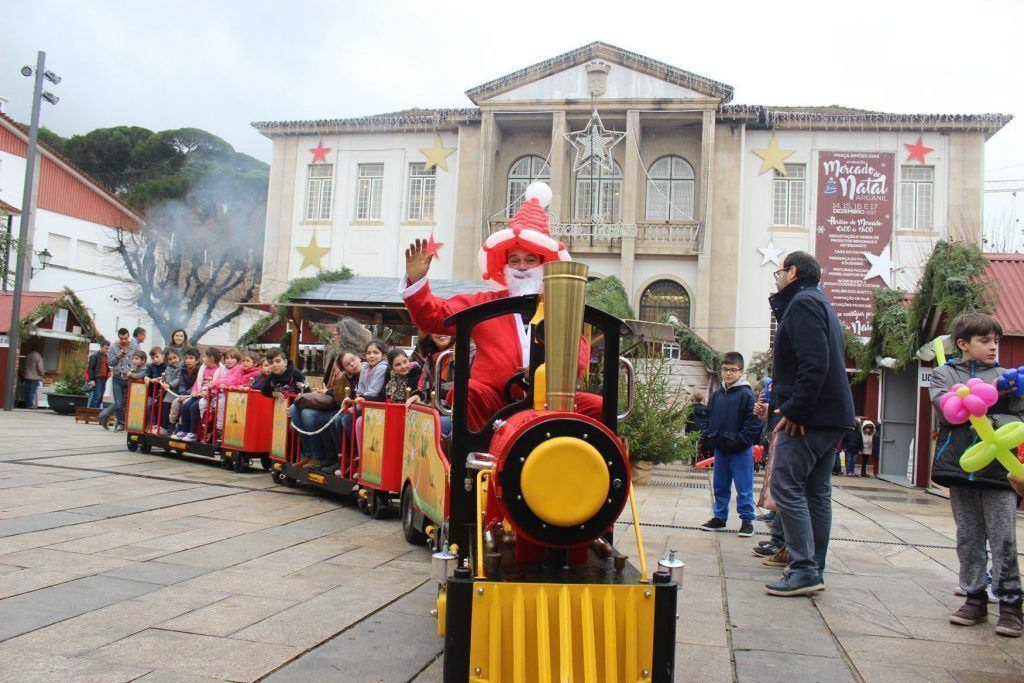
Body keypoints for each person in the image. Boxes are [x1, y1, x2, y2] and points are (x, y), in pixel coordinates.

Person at [402, 182, 601, 432]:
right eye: (514, 260)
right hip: (494, 402)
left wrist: (546, 372)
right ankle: (479, 453)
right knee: (466, 391)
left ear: (544, 266)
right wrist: (417, 280)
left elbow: (578, 353)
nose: (521, 267)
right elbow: (433, 317)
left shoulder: (559, 308)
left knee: (599, 406)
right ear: (505, 266)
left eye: (530, 260)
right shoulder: (486, 303)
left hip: (550, 400)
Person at [757, 251, 855, 597]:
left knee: (785, 485)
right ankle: (813, 568)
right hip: (830, 414)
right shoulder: (818, 301)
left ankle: (803, 569)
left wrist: (796, 411)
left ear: (793, 272)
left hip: (811, 417)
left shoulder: (803, 303)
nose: (778, 279)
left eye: (779, 273)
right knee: (816, 491)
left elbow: (814, 363)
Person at [930, 312, 1022, 638]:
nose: (993, 347)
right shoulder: (943, 374)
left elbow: (1019, 418)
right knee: (968, 536)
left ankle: (1010, 604)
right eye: (985, 341)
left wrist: (1005, 397)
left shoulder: (1008, 377)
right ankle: (974, 597)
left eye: (996, 341)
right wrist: (989, 393)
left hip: (999, 471)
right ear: (963, 344)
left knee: (1003, 536)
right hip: (960, 467)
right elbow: (947, 410)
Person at [699, 352, 762, 537]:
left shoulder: (747, 395)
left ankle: (747, 521)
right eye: (725, 369)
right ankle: (719, 518)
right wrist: (708, 436)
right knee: (720, 485)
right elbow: (707, 416)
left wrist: (740, 441)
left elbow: (754, 423)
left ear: (741, 371)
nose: (728, 373)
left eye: (732, 370)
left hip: (740, 449)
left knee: (744, 486)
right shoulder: (717, 394)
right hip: (721, 447)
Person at [174, 347, 225, 441]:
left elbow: (218, 386)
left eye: (205, 356)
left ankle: (193, 432)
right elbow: (198, 382)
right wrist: (194, 391)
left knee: (194, 407)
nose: (203, 358)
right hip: (199, 393)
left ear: (211, 359)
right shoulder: (203, 367)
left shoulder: (221, 370)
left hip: (210, 396)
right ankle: (184, 430)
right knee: (185, 405)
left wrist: (209, 393)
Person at [99, 328, 139, 430]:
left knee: (126, 402)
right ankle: (119, 422)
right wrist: (118, 357)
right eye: (121, 339)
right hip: (117, 377)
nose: (124, 340)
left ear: (128, 336)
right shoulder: (113, 347)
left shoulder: (135, 346)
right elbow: (110, 362)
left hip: (129, 377)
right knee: (119, 402)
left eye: (125, 338)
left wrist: (133, 370)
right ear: (118, 337)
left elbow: (139, 360)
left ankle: (109, 417)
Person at [167, 348, 200, 429]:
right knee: (175, 403)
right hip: (184, 394)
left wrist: (186, 395)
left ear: (197, 360)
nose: (188, 361)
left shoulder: (200, 370)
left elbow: (196, 384)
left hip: (194, 394)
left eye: (191, 358)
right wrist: (182, 394)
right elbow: (182, 383)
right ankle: (172, 424)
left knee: (185, 404)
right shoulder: (183, 369)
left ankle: (181, 426)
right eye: (186, 358)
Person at [19, 344, 45, 409]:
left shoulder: (28, 356)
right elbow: (40, 368)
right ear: (38, 349)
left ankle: (26, 404)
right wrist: (42, 373)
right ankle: (30, 405)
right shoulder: (38, 357)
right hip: (35, 377)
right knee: (32, 391)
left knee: (27, 391)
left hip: (27, 376)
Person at [85, 341, 111, 409]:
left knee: (100, 397)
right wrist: (91, 380)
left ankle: (97, 411)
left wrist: (109, 370)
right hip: (97, 378)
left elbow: (105, 366)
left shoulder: (105, 356)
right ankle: (91, 411)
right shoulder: (95, 356)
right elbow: (90, 369)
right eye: (106, 348)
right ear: (101, 347)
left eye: (108, 348)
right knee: (97, 396)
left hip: (103, 378)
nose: (107, 350)